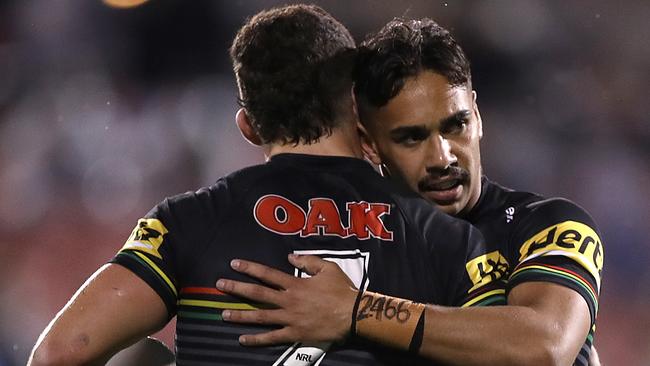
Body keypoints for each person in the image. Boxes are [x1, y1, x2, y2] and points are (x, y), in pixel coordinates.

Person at [28, 7, 489, 366]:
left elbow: (62, 352)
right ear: (355, 102)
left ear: (247, 126)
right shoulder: (444, 235)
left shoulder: (189, 222)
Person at [215, 18, 604, 366]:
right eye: (411, 138)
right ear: (368, 143)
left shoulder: (545, 225)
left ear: (478, 117)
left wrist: (355, 310)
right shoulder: (349, 243)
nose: (442, 156)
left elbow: (546, 348)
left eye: (455, 126)